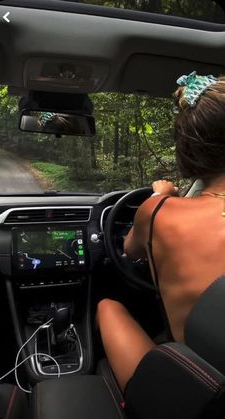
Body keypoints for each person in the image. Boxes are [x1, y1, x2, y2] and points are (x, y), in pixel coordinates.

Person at [96, 71, 225, 394]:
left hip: (200, 392)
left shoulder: (157, 213)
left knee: (107, 307)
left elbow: (130, 250)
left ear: (189, 150)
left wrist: (159, 196)